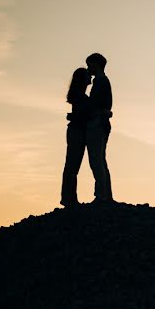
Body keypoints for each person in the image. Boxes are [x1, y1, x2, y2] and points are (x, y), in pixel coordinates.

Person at [60, 67, 92, 207]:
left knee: (72, 166)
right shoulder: (81, 97)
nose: (90, 76)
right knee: (72, 166)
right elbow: (81, 115)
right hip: (77, 132)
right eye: (87, 75)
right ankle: (68, 198)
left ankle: (69, 198)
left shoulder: (78, 96)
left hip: (76, 131)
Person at [85, 52, 113, 202]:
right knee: (100, 159)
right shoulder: (103, 81)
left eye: (90, 64)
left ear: (96, 64)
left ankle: (101, 195)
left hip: (98, 124)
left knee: (96, 160)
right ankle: (105, 194)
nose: (88, 67)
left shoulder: (100, 81)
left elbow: (96, 105)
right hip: (101, 123)